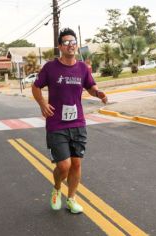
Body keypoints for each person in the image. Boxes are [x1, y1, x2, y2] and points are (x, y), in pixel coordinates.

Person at [32, 28, 107, 214]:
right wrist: (42, 103)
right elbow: (36, 87)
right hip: (56, 124)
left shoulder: (82, 68)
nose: (70, 45)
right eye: (66, 42)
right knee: (63, 166)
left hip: (78, 123)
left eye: (73, 42)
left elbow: (90, 86)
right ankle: (57, 188)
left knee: (76, 164)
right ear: (60, 46)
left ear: (77, 45)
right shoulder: (50, 67)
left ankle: (71, 199)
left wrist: (98, 93)